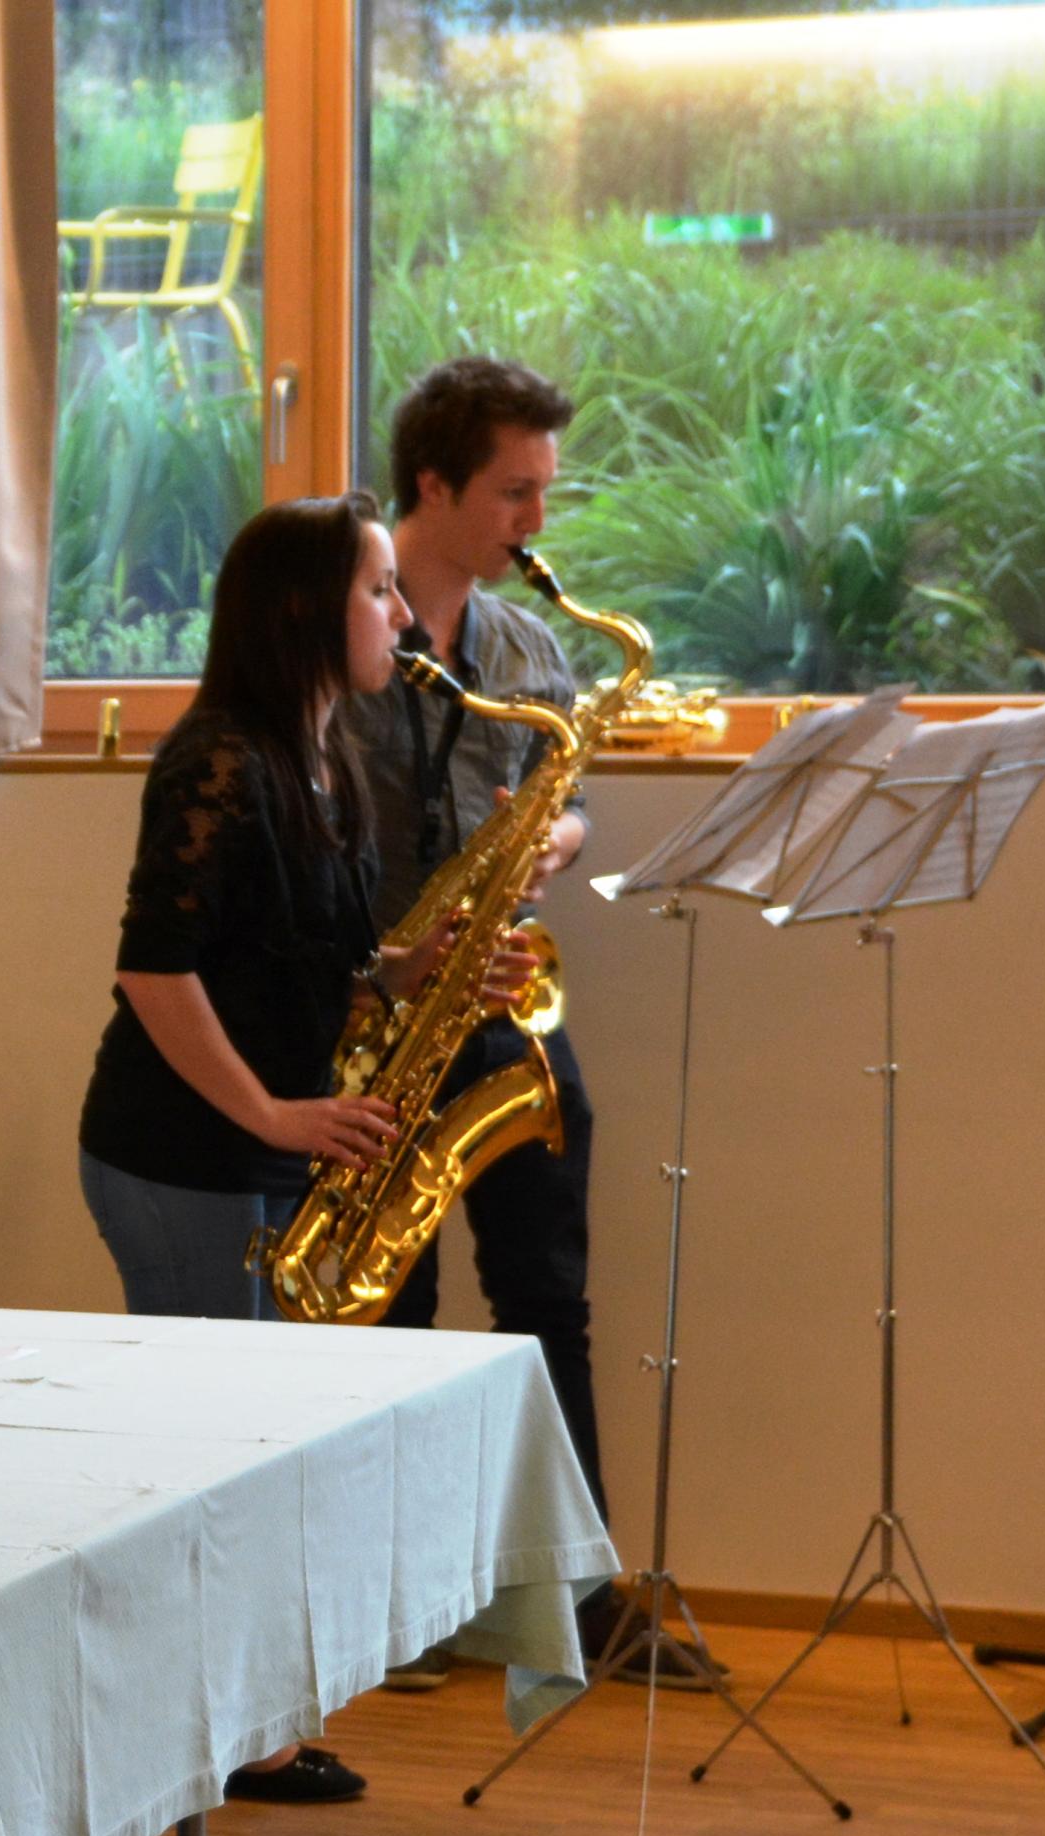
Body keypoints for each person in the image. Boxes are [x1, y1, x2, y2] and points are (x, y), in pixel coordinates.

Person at [74, 493, 540, 1804]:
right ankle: (215, 1735)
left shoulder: (312, 750)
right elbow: (155, 970)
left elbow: (287, 951)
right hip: (182, 1155)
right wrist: (275, 1115)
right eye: (377, 589)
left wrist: (410, 968)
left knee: (253, 1443)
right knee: (215, 1457)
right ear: (303, 610)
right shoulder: (216, 758)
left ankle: (245, 1720)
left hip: (247, 1148)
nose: (401, 615)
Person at [340, 355, 671, 1684]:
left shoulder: (527, 645)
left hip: (502, 998)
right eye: (512, 492)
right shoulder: (341, 635)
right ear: (432, 485)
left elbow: (564, 797)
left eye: (543, 489)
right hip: (375, 1012)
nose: (537, 521)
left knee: (549, 1301)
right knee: (391, 1316)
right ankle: (393, 1610)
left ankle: (575, 1599)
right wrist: (395, 962)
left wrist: (552, 839)